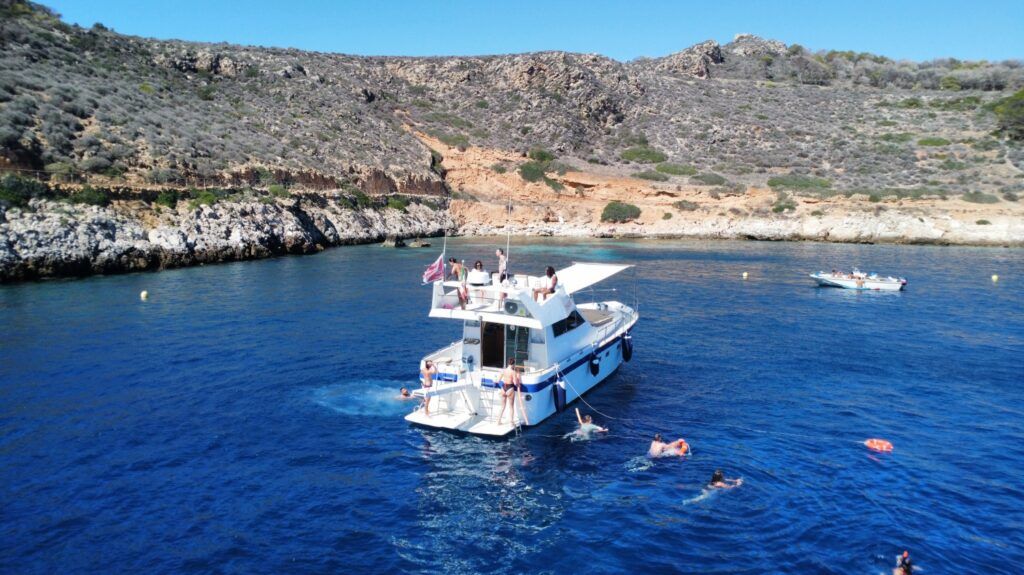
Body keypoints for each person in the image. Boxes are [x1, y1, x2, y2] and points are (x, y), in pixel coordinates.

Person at [496, 358, 522, 426]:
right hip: (510, 388)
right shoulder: (513, 372)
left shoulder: (503, 370)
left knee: (502, 406)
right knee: (511, 407)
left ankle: (498, 421)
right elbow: (515, 383)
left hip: (503, 388)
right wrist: (518, 377)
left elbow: (498, 380)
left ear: (508, 363)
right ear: (513, 364)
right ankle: (511, 422)